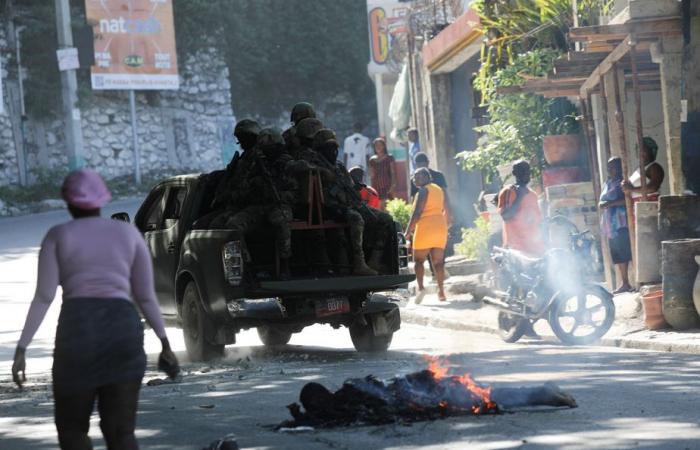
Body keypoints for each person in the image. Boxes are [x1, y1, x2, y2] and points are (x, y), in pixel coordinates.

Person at [12, 169, 179, 450]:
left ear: (68, 201)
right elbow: (145, 295)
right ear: (102, 200)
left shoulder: (58, 236)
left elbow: (44, 296)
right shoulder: (127, 233)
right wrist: (165, 343)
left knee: (73, 430)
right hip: (123, 331)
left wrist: (22, 348)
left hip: (78, 334)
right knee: (121, 431)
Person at [222, 128, 297, 279]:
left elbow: (296, 192)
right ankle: (248, 265)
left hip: (279, 204)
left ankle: (285, 264)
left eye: (270, 148)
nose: (266, 152)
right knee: (233, 225)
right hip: (258, 206)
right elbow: (243, 190)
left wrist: (280, 196)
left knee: (281, 220)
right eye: (264, 149)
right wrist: (254, 185)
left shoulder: (287, 164)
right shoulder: (256, 165)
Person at [311, 129, 380, 275]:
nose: (334, 152)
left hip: (346, 203)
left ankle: (375, 261)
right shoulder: (314, 166)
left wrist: (355, 186)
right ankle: (359, 263)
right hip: (328, 208)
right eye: (329, 149)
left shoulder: (339, 166)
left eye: (335, 148)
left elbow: (350, 187)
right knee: (356, 218)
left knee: (381, 219)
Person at [405, 168, 449, 303]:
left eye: (417, 176)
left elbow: (417, 212)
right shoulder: (438, 189)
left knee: (418, 261)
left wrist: (408, 231)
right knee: (439, 263)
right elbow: (445, 207)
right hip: (440, 227)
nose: (414, 179)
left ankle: (421, 288)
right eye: (413, 177)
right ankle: (441, 291)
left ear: (425, 176)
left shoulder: (423, 190)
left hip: (425, 227)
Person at [599, 157, 633, 294]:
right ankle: (624, 282)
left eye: (613, 167)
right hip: (610, 225)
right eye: (609, 167)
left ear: (619, 167)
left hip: (620, 222)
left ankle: (627, 282)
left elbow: (627, 200)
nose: (610, 170)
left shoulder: (623, 182)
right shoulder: (607, 183)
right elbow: (602, 200)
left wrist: (609, 204)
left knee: (624, 250)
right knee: (617, 254)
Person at [497, 160, 545, 257]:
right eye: (522, 170)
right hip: (516, 249)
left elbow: (538, 221)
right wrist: (519, 197)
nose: (526, 174)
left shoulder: (532, 195)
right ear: (514, 173)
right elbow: (505, 216)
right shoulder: (508, 191)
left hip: (534, 248)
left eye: (527, 171)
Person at [622, 136, 665, 202]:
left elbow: (653, 188)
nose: (641, 153)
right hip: (638, 204)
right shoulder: (638, 169)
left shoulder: (654, 167)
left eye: (644, 150)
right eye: (639, 150)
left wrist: (631, 189)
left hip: (649, 203)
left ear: (651, 151)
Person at [368, 137, 397, 210]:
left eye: (380, 145)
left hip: (387, 186)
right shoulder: (372, 160)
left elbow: (393, 172)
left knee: (388, 208)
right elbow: (372, 175)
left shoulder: (389, 158)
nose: (378, 147)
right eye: (376, 145)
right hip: (376, 187)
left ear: (384, 146)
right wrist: (372, 190)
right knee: (379, 208)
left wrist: (392, 186)